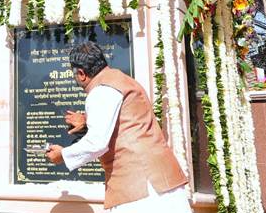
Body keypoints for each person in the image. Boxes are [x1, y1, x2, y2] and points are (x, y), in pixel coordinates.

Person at [45, 42, 191, 213]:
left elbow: (97, 143)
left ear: (82, 74)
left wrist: (62, 155)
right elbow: (128, 121)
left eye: (74, 74)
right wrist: (86, 122)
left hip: (140, 188)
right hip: (161, 180)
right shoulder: (122, 80)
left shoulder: (101, 91)